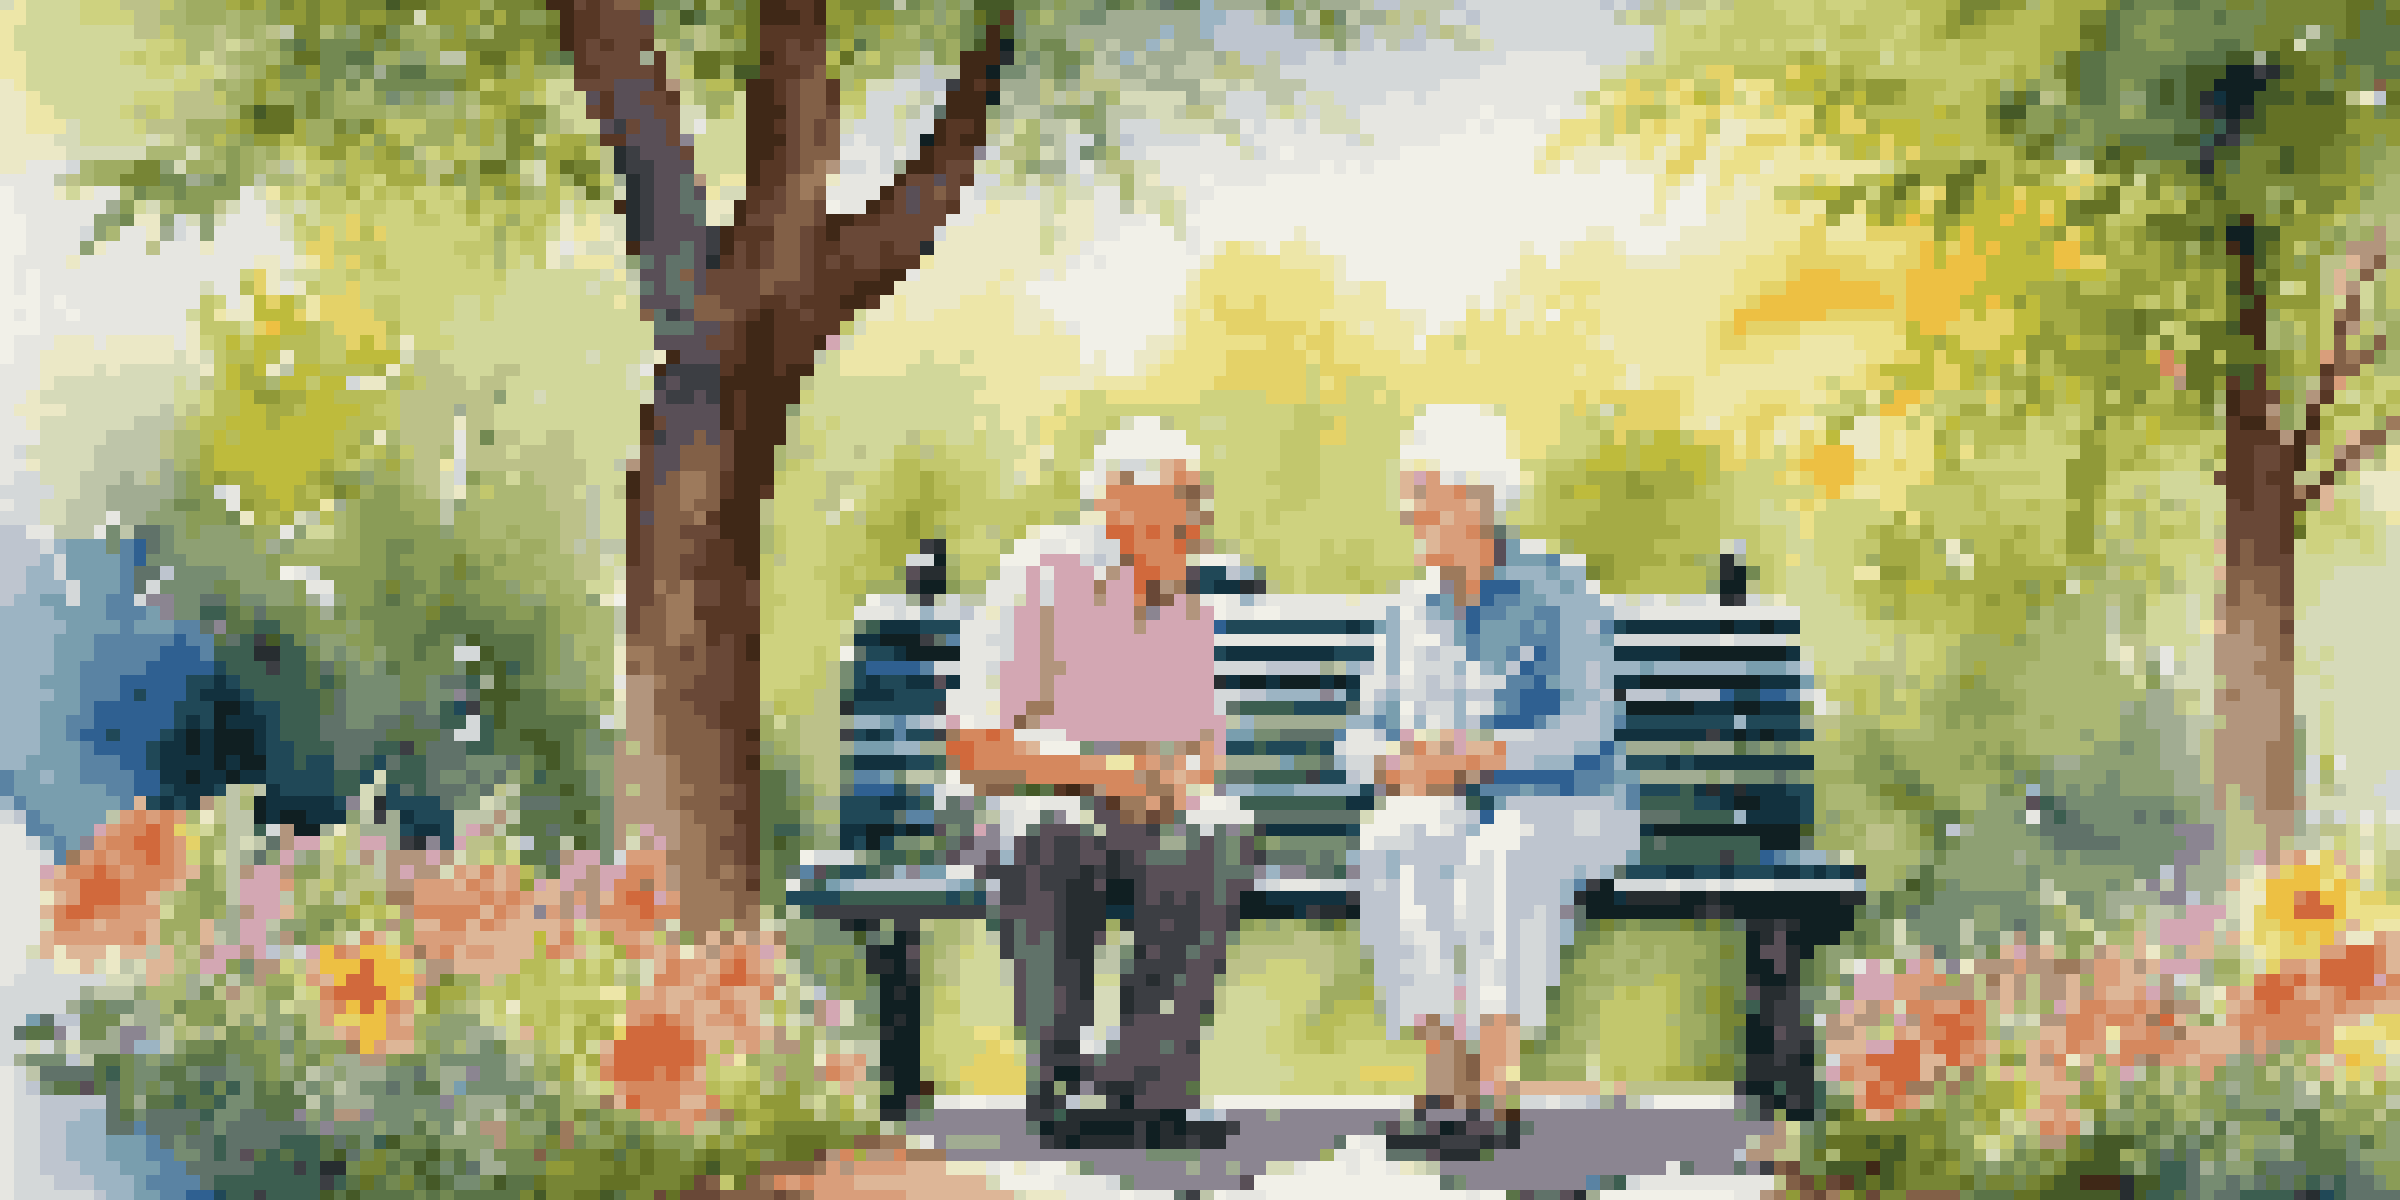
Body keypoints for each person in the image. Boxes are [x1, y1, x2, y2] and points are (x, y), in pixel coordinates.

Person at [1337, 403, 1640, 1152]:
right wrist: (1392, 764)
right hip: (1451, 807)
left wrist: (1485, 755)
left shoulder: (1561, 592)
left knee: (1508, 850)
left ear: (1475, 501)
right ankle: (1446, 1084)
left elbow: (1588, 726)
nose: (1409, 515)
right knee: (1393, 843)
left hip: (1572, 804)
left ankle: (1495, 1090)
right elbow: (1358, 737)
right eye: (1408, 499)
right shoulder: (1409, 611)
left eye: (1424, 498)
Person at [946, 416, 1253, 1152]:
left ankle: (1146, 1091)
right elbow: (975, 746)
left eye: (1203, 498)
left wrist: (1170, 789)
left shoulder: (1187, 603)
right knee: (1057, 831)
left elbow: (1203, 752)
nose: (1202, 516)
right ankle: (1062, 1084)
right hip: (1022, 805)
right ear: (1118, 502)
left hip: (1136, 813)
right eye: (1185, 495)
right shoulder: (1042, 573)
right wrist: (1105, 775)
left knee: (1217, 830)